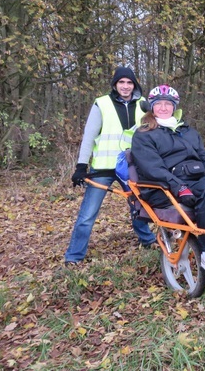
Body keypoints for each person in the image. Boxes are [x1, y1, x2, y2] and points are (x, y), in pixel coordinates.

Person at [131, 85, 205, 277]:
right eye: (159, 104)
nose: (164, 108)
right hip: (164, 187)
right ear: (151, 107)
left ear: (175, 107)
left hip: (194, 180)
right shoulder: (144, 134)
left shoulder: (186, 130)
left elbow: (204, 156)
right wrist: (178, 185)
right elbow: (152, 168)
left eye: (168, 104)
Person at [65, 67, 156, 265]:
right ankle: (73, 257)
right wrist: (81, 166)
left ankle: (148, 240)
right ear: (115, 84)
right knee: (88, 214)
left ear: (135, 85)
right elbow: (89, 137)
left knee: (138, 207)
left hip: (131, 167)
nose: (125, 86)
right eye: (121, 82)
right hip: (103, 169)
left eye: (129, 82)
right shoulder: (101, 104)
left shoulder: (143, 105)